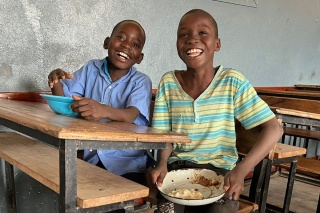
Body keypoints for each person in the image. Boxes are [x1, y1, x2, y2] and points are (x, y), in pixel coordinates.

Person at [149, 9, 283, 213]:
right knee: (166, 210)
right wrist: (161, 163)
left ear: (217, 44)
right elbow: (165, 137)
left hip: (221, 173)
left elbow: (274, 128)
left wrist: (241, 170)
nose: (192, 40)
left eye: (203, 33)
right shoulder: (168, 82)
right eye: (183, 34)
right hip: (177, 169)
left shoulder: (232, 81)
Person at [47, 20, 153, 185]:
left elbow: (131, 115)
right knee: (63, 186)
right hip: (93, 160)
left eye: (135, 44)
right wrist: (56, 81)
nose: (126, 46)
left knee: (112, 204)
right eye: (121, 38)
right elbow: (66, 101)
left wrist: (103, 110)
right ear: (107, 42)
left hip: (128, 164)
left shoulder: (141, 81)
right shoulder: (91, 68)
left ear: (140, 57)